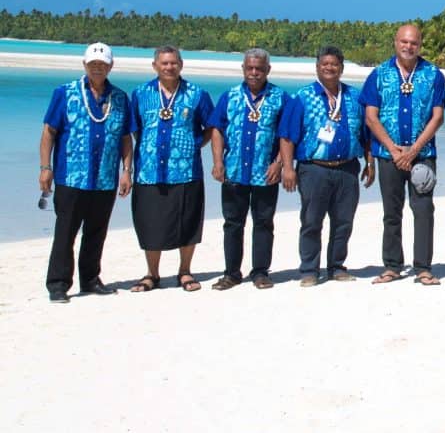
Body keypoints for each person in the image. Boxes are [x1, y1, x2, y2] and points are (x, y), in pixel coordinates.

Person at [38, 42, 132, 303]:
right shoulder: (65, 93)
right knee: (65, 231)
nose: (98, 68)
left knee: (96, 231)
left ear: (111, 66)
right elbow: (49, 133)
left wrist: (127, 170)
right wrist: (45, 168)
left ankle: (90, 279)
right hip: (71, 177)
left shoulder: (121, 98)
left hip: (104, 178)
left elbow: (125, 137)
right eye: (93, 64)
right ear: (84, 65)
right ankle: (58, 284)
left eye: (103, 64)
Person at [279, 46, 375, 287]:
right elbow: (287, 136)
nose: (329, 68)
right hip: (314, 169)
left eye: (334, 64)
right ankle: (309, 270)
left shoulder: (355, 97)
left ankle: (337, 266)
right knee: (312, 220)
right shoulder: (302, 97)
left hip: (348, 168)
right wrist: (288, 168)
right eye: (325, 64)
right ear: (317, 67)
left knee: (344, 221)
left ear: (341, 68)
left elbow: (366, 134)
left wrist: (370, 162)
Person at [362, 24, 445, 286]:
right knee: (391, 212)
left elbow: (438, 116)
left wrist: (414, 150)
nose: (408, 47)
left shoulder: (433, 74)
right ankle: (392, 266)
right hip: (389, 155)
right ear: (395, 43)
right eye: (404, 42)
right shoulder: (379, 74)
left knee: (423, 211)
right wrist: (392, 148)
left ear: (420, 45)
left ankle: (423, 268)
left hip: (422, 154)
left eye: (414, 43)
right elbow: (370, 117)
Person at [127, 46, 214, 293]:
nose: (169, 67)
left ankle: (185, 271)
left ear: (181, 65)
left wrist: (195, 144)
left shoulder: (197, 94)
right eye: (164, 63)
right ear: (155, 65)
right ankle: (152, 274)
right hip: (149, 170)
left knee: (188, 222)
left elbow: (212, 125)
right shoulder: (141, 93)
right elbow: (134, 127)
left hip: (186, 170)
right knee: (149, 223)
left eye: (173, 63)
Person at [208, 48, 289, 291]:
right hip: (234, 171)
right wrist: (218, 162)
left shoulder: (280, 97)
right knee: (233, 223)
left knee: (264, 223)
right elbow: (216, 130)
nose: (255, 73)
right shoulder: (229, 96)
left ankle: (261, 272)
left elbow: (286, 135)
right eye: (250, 68)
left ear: (268, 70)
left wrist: (279, 163)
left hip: (266, 173)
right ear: (243, 69)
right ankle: (231, 273)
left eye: (260, 68)